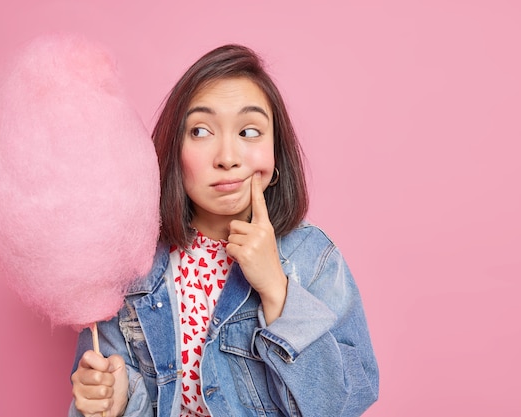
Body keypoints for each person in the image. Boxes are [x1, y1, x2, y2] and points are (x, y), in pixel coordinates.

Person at [69, 44, 379, 417]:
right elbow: (113, 390)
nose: (228, 157)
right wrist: (116, 400)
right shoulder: (131, 263)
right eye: (201, 131)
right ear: (174, 152)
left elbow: (345, 402)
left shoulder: (311, 259)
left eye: (250, 131)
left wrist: (276, 289)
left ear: (275, 152)